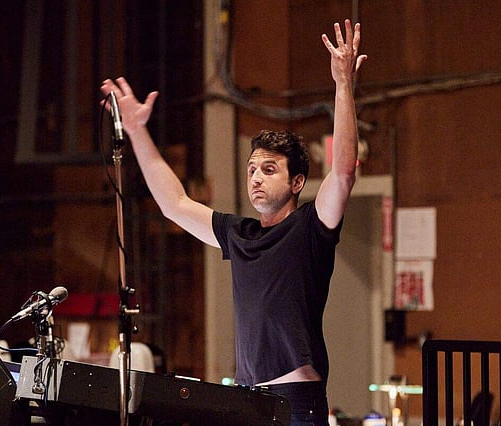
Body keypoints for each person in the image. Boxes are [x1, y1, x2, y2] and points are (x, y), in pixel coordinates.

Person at [101, 18, 367, 426]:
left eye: (269, 170)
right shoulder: (239, 234)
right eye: (252, 169)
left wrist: (343, 84)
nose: (256, 178)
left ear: (297, 182)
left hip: (296, 399)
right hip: (247, 399)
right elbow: (174, 204)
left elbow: (344, 172)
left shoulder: (310, 227)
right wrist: (137, 132)